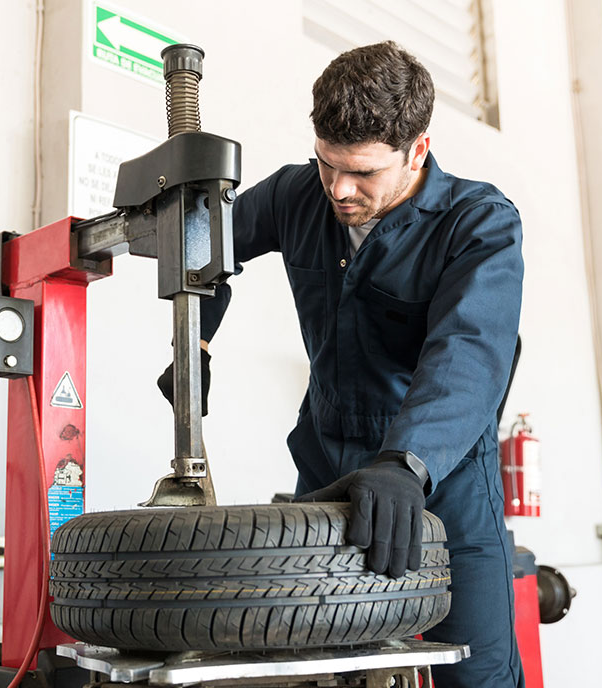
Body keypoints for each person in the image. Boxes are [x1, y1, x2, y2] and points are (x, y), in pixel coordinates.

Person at [159, 41, 524, 686]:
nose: (339, 189)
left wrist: (407, 460)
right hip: (327, 459)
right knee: (316, 660)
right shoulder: (301, 194)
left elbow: (468, 352)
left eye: (362, 173)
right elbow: (203, 248)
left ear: (418, 149)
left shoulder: (476, 223)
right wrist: (198, 343)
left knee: (476, 670)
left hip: (441, 479)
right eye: (328, 164)